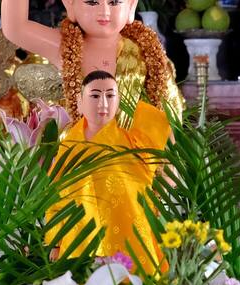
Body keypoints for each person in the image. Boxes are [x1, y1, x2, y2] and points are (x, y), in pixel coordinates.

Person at [50, 71, 173, 271]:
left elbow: (161, 130)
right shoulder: (69, 147)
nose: (103, 104)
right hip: (82, 235)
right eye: (95, 95)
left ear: (119, 100)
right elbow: (56, 197)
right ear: (80, 101)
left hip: (129, 231)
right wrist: (55, 242)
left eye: (110, 95)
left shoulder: (135, 143)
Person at [0, 0, 183, 114]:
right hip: (81, 161)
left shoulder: (146, 51)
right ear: (70, 4)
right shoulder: (65, 47)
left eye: (114, 2)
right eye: (92, 2)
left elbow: (168, 113)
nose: (104, 11)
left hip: (131, 163)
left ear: (131, 5)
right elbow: (16, 28)